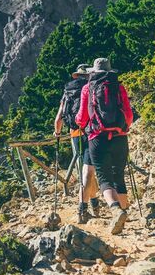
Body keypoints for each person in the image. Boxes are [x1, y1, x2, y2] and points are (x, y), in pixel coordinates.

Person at [75, 57, 134, 235]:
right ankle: (123, 217)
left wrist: (81, 125)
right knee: (119, 176)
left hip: (97, 138)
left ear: (93, 72)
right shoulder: (119, 87)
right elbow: (129, 115)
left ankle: (116, 210)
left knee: (104, 178)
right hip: (120, 137)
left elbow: (81, 117)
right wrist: (122, 128)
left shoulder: (88, 88)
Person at [54, 64, 99, 224]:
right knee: (89, 170)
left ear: (77, 75)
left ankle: (91, 205)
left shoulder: (68, 91)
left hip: (75, 134)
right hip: (92, 132)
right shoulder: (93, 87)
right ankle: (90, 205)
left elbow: (59, 118)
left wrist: (57, 133)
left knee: (84, 171)